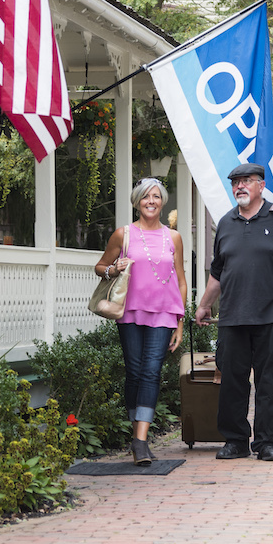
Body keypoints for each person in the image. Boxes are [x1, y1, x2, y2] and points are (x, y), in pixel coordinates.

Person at [194, 163, 273, 462]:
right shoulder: (226, 222)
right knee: (232, 380)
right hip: (232, 316)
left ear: (261, 185)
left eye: (246, 181)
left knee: (268, 380)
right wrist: (205, 303)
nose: (239, 187)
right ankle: (235, 441)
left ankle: (266, 442)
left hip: (271, 314)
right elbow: (217, 272)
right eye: (235, 183)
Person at [95, 177, 187, 466]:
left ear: (163, 202)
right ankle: (138, 435)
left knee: (151, 372)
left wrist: (180, 322)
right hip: (130, 312)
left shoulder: (173, 237)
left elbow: (182, 281)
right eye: (146, 197)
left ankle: (140, 440)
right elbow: (99, 266)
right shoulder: (123, 235)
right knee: (134, 373)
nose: (151, 201)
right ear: (137, 202)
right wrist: (113, 268)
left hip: (163, 312)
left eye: (157, 196)